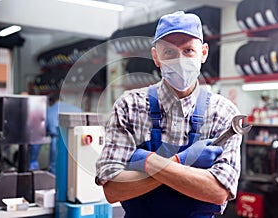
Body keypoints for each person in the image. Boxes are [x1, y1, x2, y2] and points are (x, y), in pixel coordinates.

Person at [96, 11, 242, 218]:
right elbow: (113, 190)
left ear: (203, 53)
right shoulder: (129, 107)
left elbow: (218, 192)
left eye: (188, 50)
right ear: (156, 57)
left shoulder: (224, 114)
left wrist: (145, 161)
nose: (180, 60)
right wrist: (182, 162)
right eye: (170, 53)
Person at [29, 93, 82, 174]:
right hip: (78, 142)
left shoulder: (48, 112)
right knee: (76, 170)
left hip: (58, 142)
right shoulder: (77, 110)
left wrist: (33, 161)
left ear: (50, 102)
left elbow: (38, 137)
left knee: (57, 171)